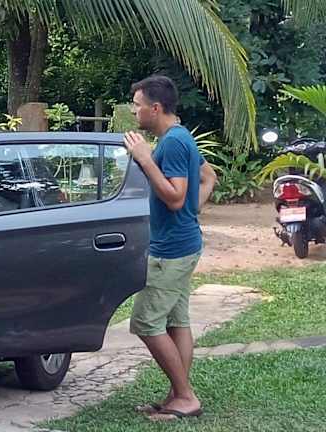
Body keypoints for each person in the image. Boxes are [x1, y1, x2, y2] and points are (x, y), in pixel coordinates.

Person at [123, 75, 217, 421]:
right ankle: (177, 395)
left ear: (155, 108)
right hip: (181, 244)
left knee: (145, 322)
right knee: (177, 322)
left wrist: (145, 160)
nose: (134, 111)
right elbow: (209, 177)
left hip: (172, 251)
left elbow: (175, 198)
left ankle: (186, 397)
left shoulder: (173, 143)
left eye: (137, 105)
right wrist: (193, 210)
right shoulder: (180, 136)